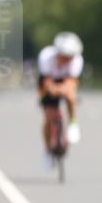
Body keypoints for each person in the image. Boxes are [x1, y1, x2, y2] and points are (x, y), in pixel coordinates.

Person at [36, 32, 84, 167]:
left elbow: (71, 82)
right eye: (66, 57)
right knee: (49, 116)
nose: (69, 59)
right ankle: (47, 150)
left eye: (71, 57)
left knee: (71, 96)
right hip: (49, 79)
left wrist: (64, 90)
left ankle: (73, 123)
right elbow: (47, 82)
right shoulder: (46, 57)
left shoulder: (77, 61)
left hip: (66, 80)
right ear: (58, 54)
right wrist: (53, 89)